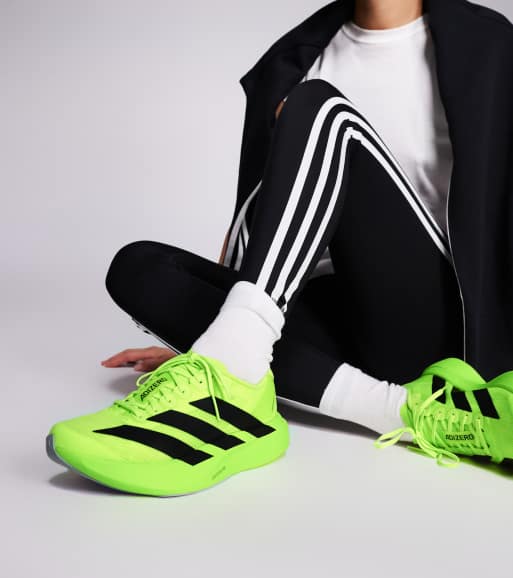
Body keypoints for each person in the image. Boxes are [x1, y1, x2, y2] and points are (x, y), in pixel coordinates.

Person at [46, 0, 513, 496]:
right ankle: (403, 410)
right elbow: (261, 210)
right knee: (138, 267)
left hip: (435, 325)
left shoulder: (487, 45)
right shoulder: (296, 57)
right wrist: (203, 338)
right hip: (331, 316)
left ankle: (235, 369)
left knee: (324, 111)